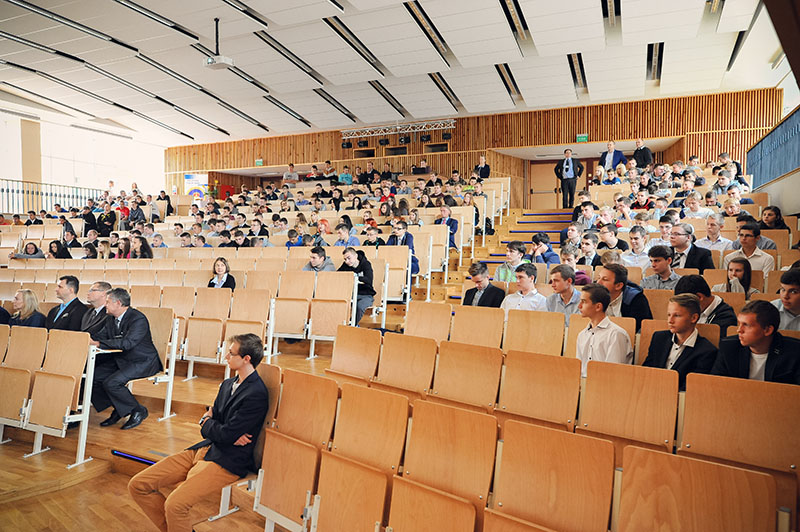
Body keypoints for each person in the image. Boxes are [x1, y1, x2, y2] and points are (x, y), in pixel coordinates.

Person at [129, 333, 269, 531]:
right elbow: (221, 429)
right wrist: (212, 424)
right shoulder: (228, 384)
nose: (225, 357)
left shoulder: (257, 393)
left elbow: (224, 432)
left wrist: (209, 423)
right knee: (138, 485)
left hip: (227, 460)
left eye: (231, 354)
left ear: (246, 359)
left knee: (175, 505)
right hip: (205, 448)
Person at [89, 288, 163, 430]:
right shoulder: (110, 318)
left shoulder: (138, 319)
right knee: (93, 377)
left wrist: (97, 344)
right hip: (122, 359)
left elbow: (128, 343)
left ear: (118, 303)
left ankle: (138, 410)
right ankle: (121, 408)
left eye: (108, 302)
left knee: (112, 383)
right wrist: (86, 338)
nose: (105, 305)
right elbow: (100, 337)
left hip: (143, 361)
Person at [711, 300, 800, 384]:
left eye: (746, 325)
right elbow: (716, 385)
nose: (739, 330)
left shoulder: (795, 352)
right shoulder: (728, 347)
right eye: (739, 324)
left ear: (767, 330)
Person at [643, 294, 717, 391]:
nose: (670, 320)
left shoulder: (707, 351)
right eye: (669, 315)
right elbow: (646, 371)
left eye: (677, 315)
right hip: (650, 392)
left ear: (694, 318)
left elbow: (691, 387)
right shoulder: (659, 338)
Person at [576, 283, 633, 377]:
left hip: (606, 383)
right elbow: (579, 368)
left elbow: (613, 371)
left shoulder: (616, 334)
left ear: (598, 307)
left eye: (584, 302)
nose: (579, 306)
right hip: (584, 382)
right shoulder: (582, 334)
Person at [595, 263, 652, 330]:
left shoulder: (636, 299)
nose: (598, 282)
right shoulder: (592, 295)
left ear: (618, 286)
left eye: (605, 279)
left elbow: (642, 328)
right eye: (599, 278)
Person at [338, 247, 375, 325]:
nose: (347, 261)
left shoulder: (366, 264)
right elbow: (338, 275)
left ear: (356, 256)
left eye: (349, 258)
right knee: (340, 303)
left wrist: (355, 277)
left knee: (360, 306)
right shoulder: (345, 265)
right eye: (345, 259)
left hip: (366, 294)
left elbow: (369, 280)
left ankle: (353, 325)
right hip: (351, 294)